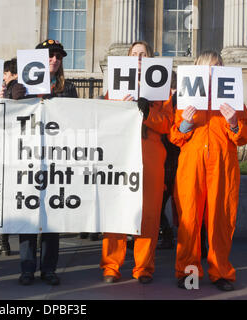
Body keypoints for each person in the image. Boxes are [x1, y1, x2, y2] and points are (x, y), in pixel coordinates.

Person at [170, 51, 247, 291]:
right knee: (190, 221)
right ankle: (188, 273)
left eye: (216, 67)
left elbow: (246, 136)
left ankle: (221, 272)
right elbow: (175, 136)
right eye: (206, 68)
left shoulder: (233, 100)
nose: (211, 73)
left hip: (223, 166)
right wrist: (185, 123)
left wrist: (233, 122)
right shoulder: (186, 100)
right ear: (197, 70)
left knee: (221, 220)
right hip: (191, 166)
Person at [100, 41, 174, 284]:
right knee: (116, 209)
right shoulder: (116, 85)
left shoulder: (160, 88)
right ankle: (111, 265)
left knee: (150, 213)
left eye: (143, 54)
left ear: (150, 57)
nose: (139, 58)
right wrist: (124, 106)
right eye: (134, 54)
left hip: (150, 151)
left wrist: (148, 112)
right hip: (121, 151)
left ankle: (144, 267)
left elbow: (167, 125)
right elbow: (106, 118)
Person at [18, 39, 78, 286]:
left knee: (53, 214)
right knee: (27, 213)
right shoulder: (21, 86)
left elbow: (75, 120)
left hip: (56, 159)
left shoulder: (68, 87)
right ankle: (27, 268)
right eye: (50, 55)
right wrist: (14, 96)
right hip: (26, 158)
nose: (54, 59)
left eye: (58, 56)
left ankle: (49, 268)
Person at [0, 58, 26, 256]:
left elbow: (15, 108)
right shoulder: (13, 87)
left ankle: (4, 242)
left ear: (13, 74)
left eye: (5, 73)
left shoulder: (16, 87)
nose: (2, 77)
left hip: (9, 149)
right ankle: (3, 241)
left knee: (6, 198)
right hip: (8, 148)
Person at [157, 71, 180, 250]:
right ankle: (167, 234)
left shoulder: (179, 99)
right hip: (168, 157)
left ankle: (169, 234)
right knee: (159, 203)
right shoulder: (162, 100)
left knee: (163, 203)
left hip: (173, 156)